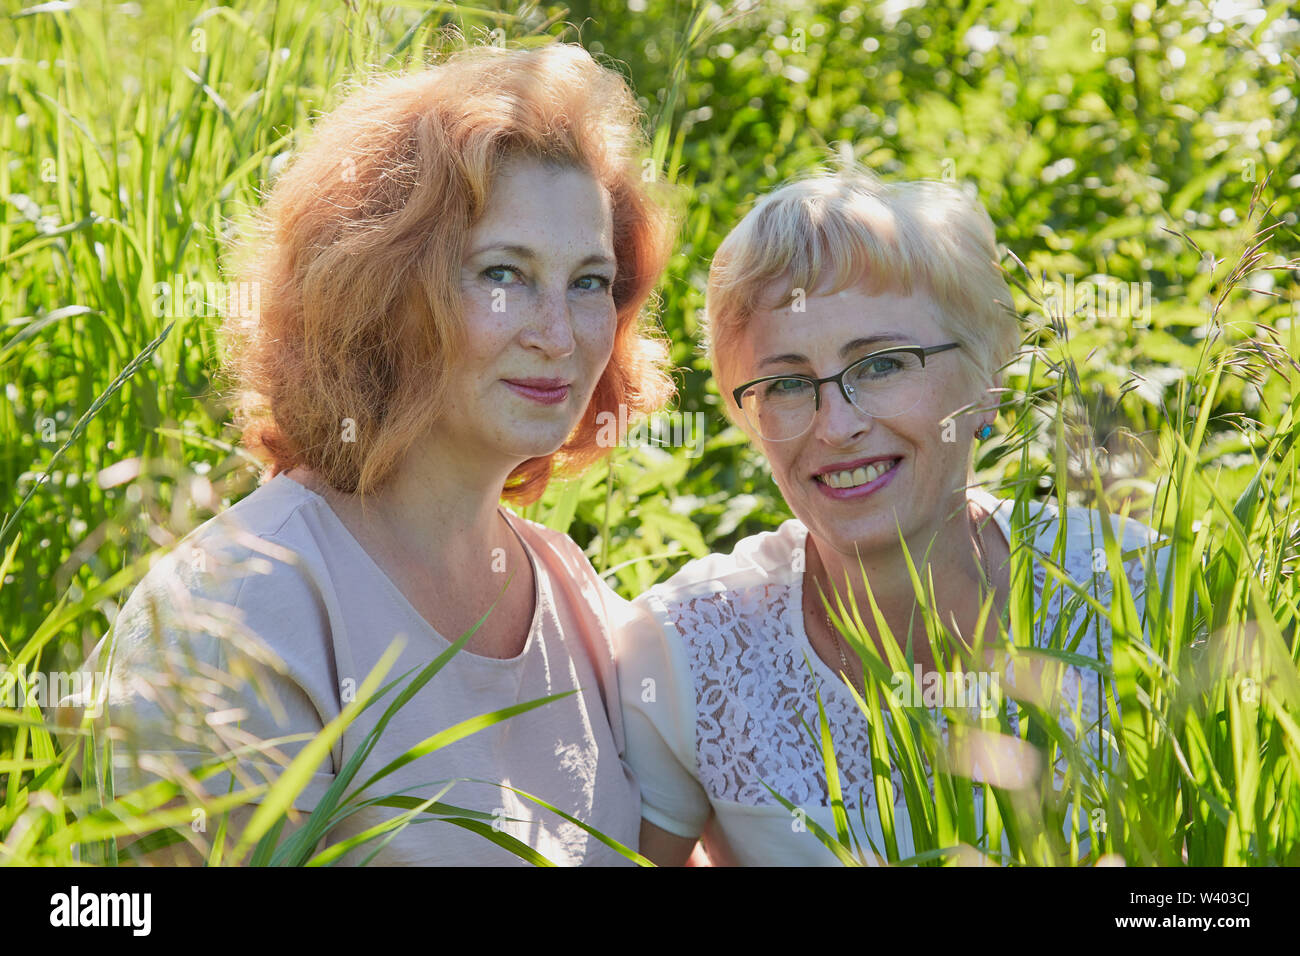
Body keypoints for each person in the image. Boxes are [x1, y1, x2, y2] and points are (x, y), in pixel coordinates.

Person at [75, 41, 680, 866]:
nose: (562, 334)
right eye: (503, 275)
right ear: (381, 293)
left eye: (588, 282)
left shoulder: (570, 590)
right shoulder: (239, 608)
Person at [617, 164, 1166, 866]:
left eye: (881, 365)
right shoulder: (688, 648)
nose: (837, 425)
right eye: (787, 383)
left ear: (988, 382)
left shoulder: (1144, 592)